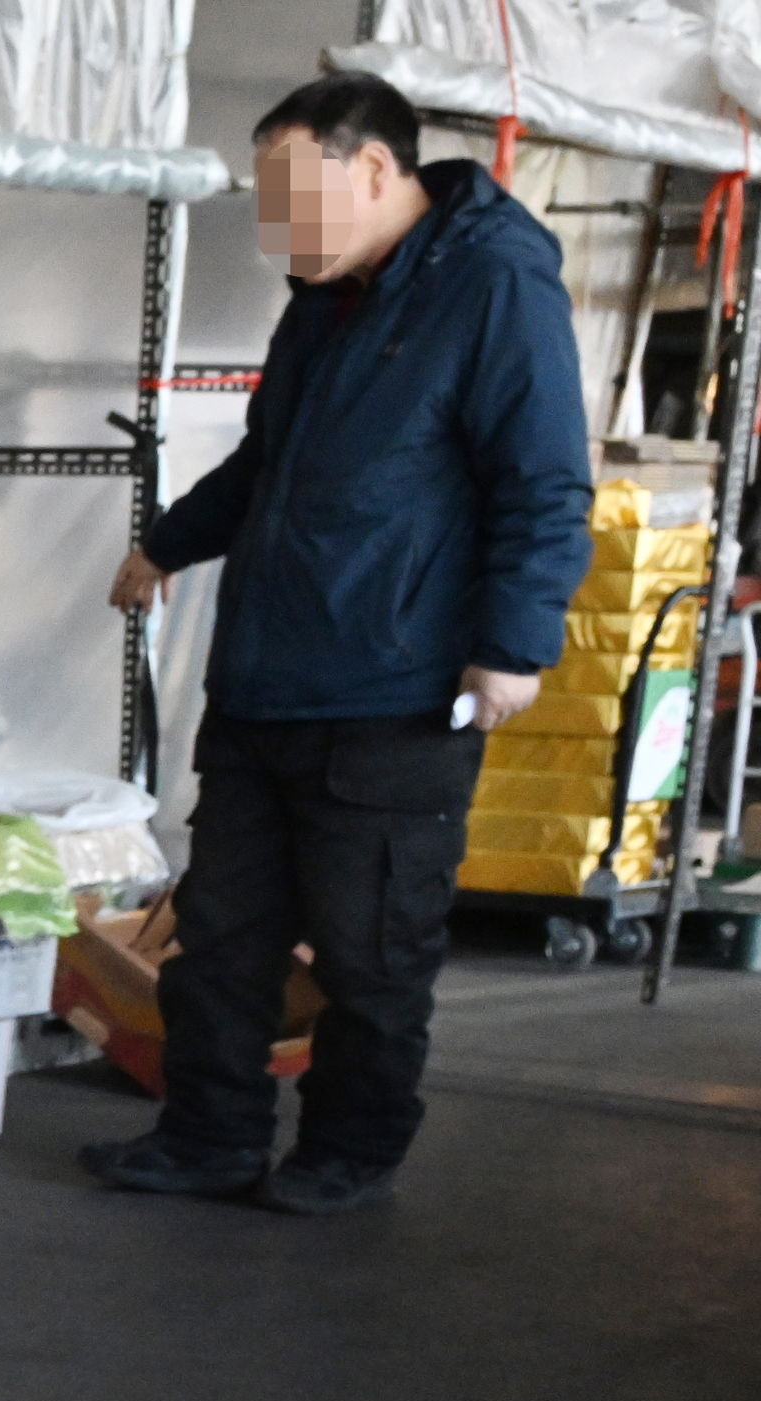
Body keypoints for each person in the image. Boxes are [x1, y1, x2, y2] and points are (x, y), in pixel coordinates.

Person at [88, 72, 590, 1215]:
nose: (276, 231)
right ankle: (207, 1136)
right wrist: (167, 545)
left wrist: (511, 644)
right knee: (222, 936)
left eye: (291, 198)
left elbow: (544, 484)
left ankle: (349, 1153)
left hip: (395, 690)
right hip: (267, 677)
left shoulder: (495, 284)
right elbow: (268, 458)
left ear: (373, 170)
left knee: (371, 950)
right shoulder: (323, 295)